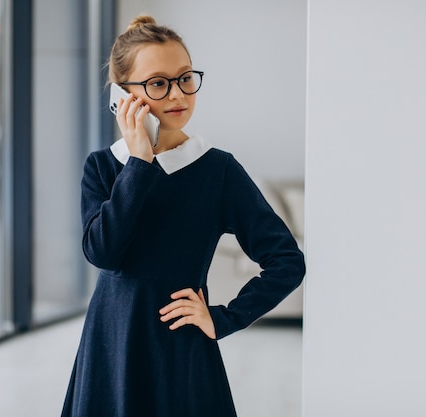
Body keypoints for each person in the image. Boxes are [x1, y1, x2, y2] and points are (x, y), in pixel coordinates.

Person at [61, 15, 305, 417]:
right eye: (158, 83)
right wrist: (139, 162)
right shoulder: (103, 166)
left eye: (185, 78)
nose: (178, 94)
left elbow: (286, 262)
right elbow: (103, 253)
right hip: (110, 345)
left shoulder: (218, 170)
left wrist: (223, 318)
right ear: (123, 96)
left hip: (180, 351)